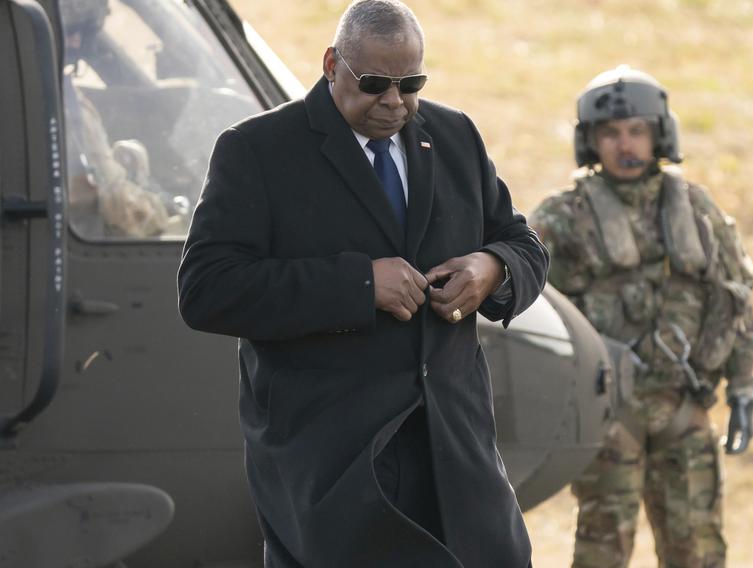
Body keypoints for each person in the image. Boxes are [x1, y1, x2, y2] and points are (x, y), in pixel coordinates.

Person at [176, 1, 548, 566]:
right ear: (331, 64)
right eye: (374, 84)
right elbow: (206, 289)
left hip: (456, 453)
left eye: (411, 83)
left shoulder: (453, 135)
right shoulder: (257, 151)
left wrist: (491, 269)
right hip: (336, 465)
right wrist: (357, 285)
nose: (394, 102)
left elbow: (524, 246)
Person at [530, 66, 753, 568]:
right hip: (606, 413)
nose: (624, 144)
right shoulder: (561, 219)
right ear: (590, 141)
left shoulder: (695, 209)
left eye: (637, 130)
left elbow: (734, 298)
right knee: (602, 551)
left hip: (684, 405)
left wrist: (743, 387)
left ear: (660, 134)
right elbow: (530, 316)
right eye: (610, 133)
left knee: (698, 551)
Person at [60, 0, 171, 239]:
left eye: (83, 32)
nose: (76, 42)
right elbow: (117, 202)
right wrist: (165, 220)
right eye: (70, 32)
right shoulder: (61, 103)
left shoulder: (57, 91)